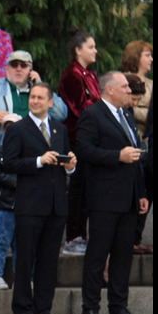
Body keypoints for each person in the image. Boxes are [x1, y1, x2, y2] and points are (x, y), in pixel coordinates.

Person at [0, 50, 67, 289]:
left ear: (30, 68)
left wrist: (40, 83)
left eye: (24, 65)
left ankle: (24, 276)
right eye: (14, 64)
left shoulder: (37, 91)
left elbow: (61, 113)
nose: (18, 68)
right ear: (6, 66)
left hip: (31, 167)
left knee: (27, 224)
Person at [75, 71, 148, 314]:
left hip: (128, 198)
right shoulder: (92, 115)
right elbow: (84, 150)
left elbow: (135, 158)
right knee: (98, 254)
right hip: (103, 199)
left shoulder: (126, 115)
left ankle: (118, 306)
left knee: (123, 256)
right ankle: (90, 307)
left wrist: (141, 193)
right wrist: (116, 156)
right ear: (110, 90)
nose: (129, 90)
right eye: (125, 86)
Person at [2, 83, 77, 314]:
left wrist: (71, 166)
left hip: (56, 205)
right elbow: (9, 163)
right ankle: (23, 308)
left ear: (50, 102)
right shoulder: (18, 129)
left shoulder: (59, 129)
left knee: (48, 260)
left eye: (40, 98)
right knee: (25, 258)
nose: (35, 101)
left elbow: (64, 163)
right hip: (30, 205)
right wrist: (38, 160)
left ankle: (44, 308)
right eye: (32, 97)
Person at [58, 30, 101, 257]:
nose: (95, 50)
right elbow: (81, 109)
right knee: (77, 189)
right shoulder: (72, 75)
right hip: (77, 139)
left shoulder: (90, 75)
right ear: (78, 50)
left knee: (86, 190)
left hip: (91, 139)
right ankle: (73, 236)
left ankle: (81, 235)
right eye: (91, 46)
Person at [121, 40, 153, 254]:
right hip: (127, 144)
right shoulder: (121, 80)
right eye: (147, 54)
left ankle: (137, 238)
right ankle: (129, 239)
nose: (151, 59)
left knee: (146, 192)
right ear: (135, 56)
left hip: (147, 145)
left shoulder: (151, 83)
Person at [0, 113, 22, 291]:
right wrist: (14, 182)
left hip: (23, 205)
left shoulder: (26, 152)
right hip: (3, 204)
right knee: (1, 241)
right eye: (8, 127)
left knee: (22, 245)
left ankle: (22, 278)